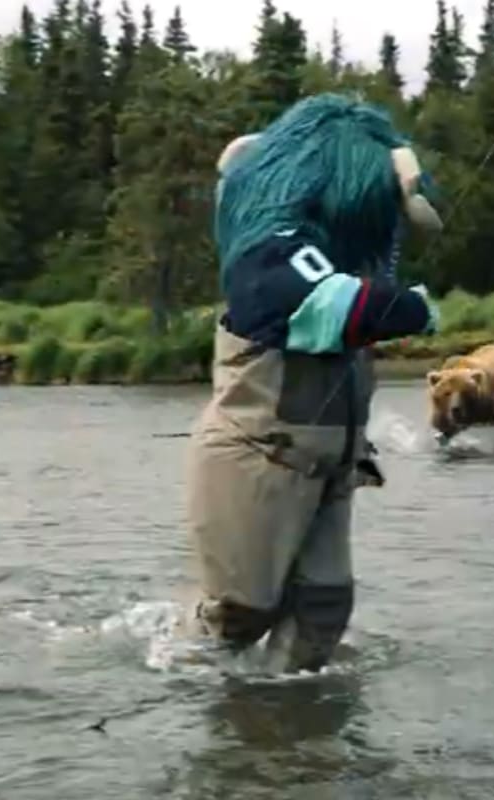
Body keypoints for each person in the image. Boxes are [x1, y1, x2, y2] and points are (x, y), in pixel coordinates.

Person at [184, 93, 444, 674]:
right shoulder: (270, 258)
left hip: (330, 468)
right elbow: (338, 304)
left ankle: (289, 746)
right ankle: (186, 699)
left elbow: (362, 294)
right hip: (256, 461)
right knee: (240, 612)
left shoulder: (344, 261)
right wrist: (413, 307)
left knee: (324, 612)